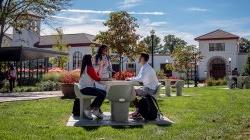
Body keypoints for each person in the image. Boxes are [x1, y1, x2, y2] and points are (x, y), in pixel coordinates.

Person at [126, 53, 159, 118]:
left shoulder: (146, 67)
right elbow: (139, 77)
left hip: (150, 89)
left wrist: (130, 79)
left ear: (143, 58)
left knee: (132, 92)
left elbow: (140, 79)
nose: (139, 58)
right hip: (149, 88)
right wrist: (131, 78)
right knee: (132, 90)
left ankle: (138, 111)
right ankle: (138, 111)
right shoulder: (145, 66)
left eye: (140, 57)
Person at [78, 54, 107, 119]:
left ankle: (96, 110)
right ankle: (89, 109)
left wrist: (101, 66)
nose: (93, 60)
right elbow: (96, 78)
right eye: (92, 58)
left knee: (104, 93)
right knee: (101, 94)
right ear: (89, 60)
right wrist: (107, 79)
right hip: (86, 89)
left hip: (84, 88)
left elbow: (96, 75)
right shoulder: (89, 68)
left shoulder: (85, 67)